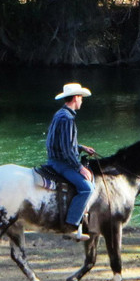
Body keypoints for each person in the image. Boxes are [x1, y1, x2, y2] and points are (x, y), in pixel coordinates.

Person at [46, 82, 97, 241]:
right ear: (76, 98)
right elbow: (66, 149)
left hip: (55, 159)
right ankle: (70, 226)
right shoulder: (67, 118)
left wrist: (81, 147)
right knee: (87, 188)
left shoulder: (60, 114)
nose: (82, 101)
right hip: (62, 163)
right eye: (81, 98)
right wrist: (79, 167)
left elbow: (63, 142)